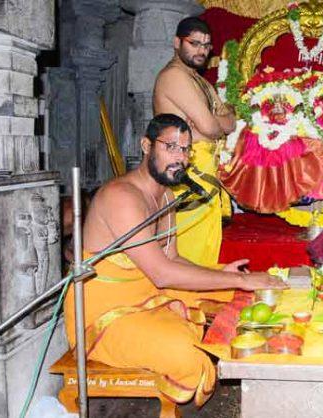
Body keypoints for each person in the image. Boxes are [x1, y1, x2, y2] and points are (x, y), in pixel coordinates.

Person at [63, 114, 287, 405]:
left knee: (237, 294)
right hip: (106, 314)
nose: (179, 158)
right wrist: (239, 278)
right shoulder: (121, 196)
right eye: (170, 147)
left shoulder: (166, 195)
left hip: (148, 290)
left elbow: (172, 258)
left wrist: (220, 273)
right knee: (187, 354)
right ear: (146, 145)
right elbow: (162, 273)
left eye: (185, 149)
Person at [153, 17, 235, 267]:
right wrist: (214, 123)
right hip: (186, 171)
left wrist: (215, 122)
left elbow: (229, 120)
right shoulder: (173, 76)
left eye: (207, 45)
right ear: (176, 42)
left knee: (207, 248)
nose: (201, 50)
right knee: (188, 248)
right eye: (194, 43)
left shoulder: (198, 79)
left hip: (205, 168)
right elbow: (212, 126)